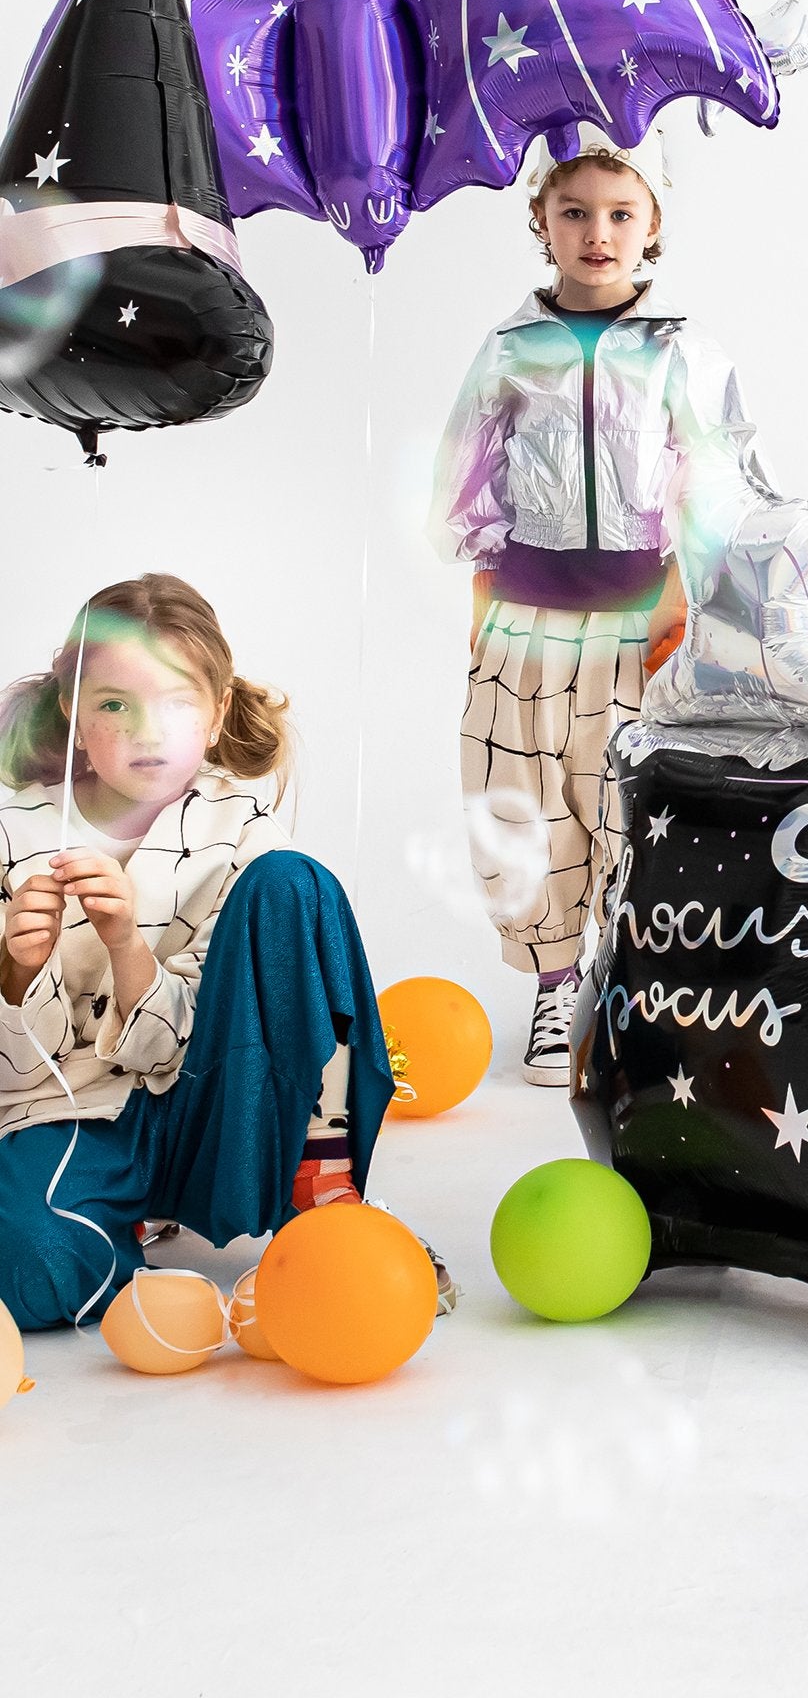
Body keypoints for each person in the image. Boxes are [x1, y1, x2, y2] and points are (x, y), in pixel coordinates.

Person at [432, 129, 768, 1083]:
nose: (598, 233)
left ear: (653, 223)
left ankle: (628, 990)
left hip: (643, 627)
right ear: (540, 219)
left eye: (622, 213)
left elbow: (722, 483)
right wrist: (484, 602)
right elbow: (464, 482)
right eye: (574, 211)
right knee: (526, 806)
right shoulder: (510, 350)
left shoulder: (682, 351)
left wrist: (682, 601)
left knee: (632, 807)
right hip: (527, 626)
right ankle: (553, 991)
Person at [0, 574, 404, 1332]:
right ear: (74, 715)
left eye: (178, 703)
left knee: (296, 883)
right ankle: (117, 1231)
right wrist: (17, 970)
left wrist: (126, 944)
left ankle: (323, 1188)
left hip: (214, 1108)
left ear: (216, 715)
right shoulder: (12, 832)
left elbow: (200, 1041)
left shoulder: (240, 833)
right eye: (114, 705)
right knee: (29, 1266)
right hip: (68, 1112)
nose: (148, 732)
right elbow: (15, 1079)